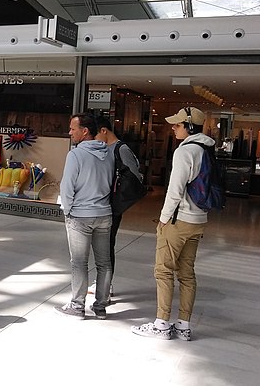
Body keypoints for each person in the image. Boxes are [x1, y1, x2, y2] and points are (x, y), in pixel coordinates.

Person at [132, 107, 214, 341]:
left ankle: (161, 324)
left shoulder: (184, 151)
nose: (173, 128)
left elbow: (175, 191)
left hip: (179, 220)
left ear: (188, 127)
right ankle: (183, 325)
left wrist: (163, 219)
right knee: (187, 274)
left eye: (177, 125)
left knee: (164, 271)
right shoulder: (207, 149)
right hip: (198, 220)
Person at [55, 113, 114, 320]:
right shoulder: (108, 153)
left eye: (73, 129)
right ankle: (100, 307)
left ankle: (77, 305)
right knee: (104, 263)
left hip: (80, 215)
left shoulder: (76, 154)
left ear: (85, 131)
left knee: (79, 262)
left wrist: (67, 210)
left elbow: (67, 186)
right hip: (104, 214)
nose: (70, 132)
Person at [92, 116, 143, 299]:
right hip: (103, 204)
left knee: (107, 244)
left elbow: (134, 178)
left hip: (113, 206)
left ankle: (107, 284)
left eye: (95, 135)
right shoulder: (106, 148)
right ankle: (104, 282)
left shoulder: (121, 149)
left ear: (104, 131)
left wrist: (118, 202)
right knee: (102, 244)